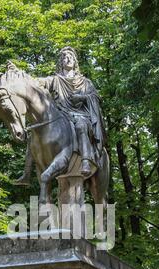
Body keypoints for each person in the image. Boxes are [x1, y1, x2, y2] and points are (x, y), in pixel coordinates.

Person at [39, 46, 106, 177]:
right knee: (36, 134)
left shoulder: (85, 82)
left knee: (81, 125)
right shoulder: (55, 80)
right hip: (62, 115)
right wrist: (20, 75)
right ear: (61, 62)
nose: (68, 59)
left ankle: (86, 160)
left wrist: (81, 97)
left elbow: (96, 97)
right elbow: (37, 82)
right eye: (65, 57)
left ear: (75, 62)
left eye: (71, 57)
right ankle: (27, 171)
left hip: (81, 115)